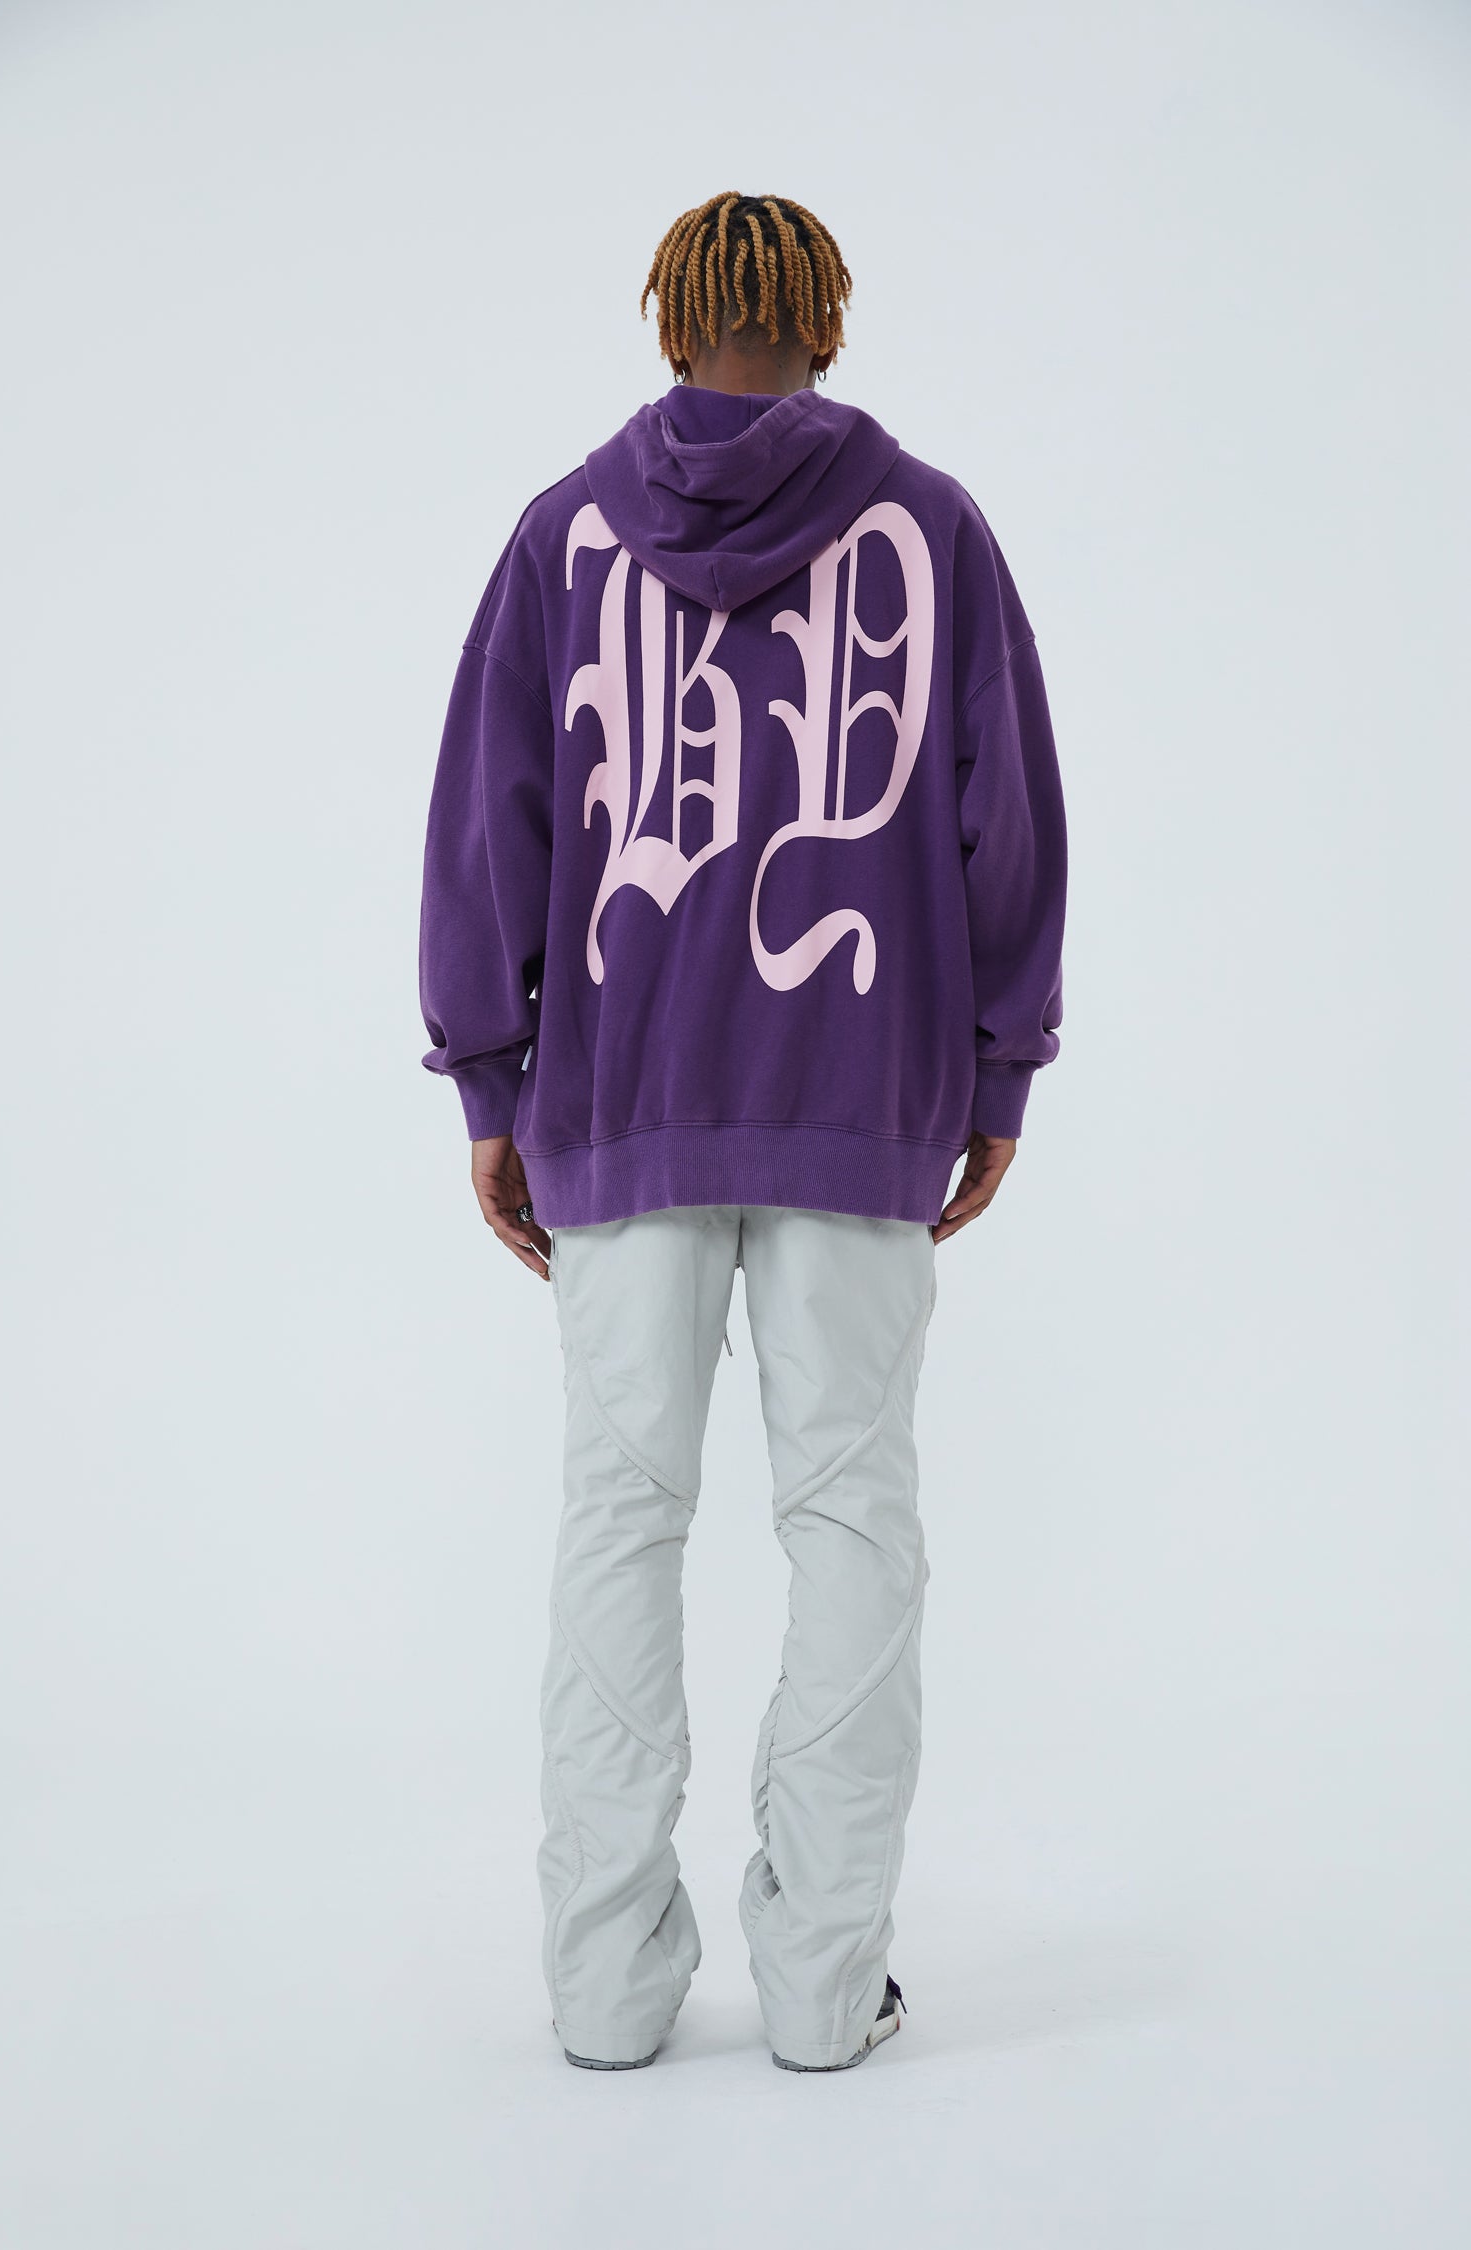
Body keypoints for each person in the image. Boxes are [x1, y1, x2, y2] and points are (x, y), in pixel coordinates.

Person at [418, 192, 1067, 2074]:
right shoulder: (934, 532)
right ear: (826, 326)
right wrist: (1000, 1069)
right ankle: (821, 1988)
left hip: (617, 1099)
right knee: (853, 1521)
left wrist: (490, 1081)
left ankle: (606, 1992)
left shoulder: (565, 537)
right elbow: (1008, 818)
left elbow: (489, 817)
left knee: (619, 1522)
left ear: (669, 322)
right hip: (863, 1099)